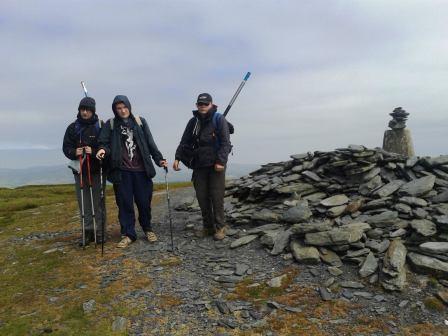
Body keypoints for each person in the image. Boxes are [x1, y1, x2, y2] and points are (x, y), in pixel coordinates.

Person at [96, 95, 167, 248]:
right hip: (121, 172)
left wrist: (159, 159)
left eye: (124, 107)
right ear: (115, 110)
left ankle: (148, 229)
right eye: (119, 108)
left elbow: (150, 142)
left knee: (144, 202)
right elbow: (104, 142)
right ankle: (128, 234)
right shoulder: (111, 124)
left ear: (129, 106)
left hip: (142, 171)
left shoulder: (140, 122)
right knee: (124, 204)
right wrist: (102, 150)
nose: (122, 111)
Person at [173, 93, 232, 240]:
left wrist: (221, 162)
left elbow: (225, 143)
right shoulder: (193, 122)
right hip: (199, 164)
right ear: (197, 105)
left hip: (215, 165)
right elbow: (184, 141)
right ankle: (208, 227)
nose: (203, 106)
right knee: (202, 197)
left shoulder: (219, 119)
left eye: (206, 104)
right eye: (200, 104)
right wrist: (177, 158)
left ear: (211, 104)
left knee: (217, 197)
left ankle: (220, 227)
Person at [63, 96, 105, 246]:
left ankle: (99, 232)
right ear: (79, 110)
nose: (85, 112)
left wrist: (93, 151)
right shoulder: (72, 127)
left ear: (93, 111)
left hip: (96, 170)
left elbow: (105, 146)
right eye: (82, 109)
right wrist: (75, 152)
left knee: (98, 202)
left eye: (88, 110)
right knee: (84, 202)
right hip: (79, 170)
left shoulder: (100, 126)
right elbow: (66, 148)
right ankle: (87, 233)